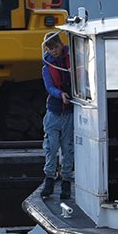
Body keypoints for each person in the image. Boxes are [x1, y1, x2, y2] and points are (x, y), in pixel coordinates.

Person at [39, 31, 74, 204]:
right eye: (50, 48)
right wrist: (60, 94)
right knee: (51, 147)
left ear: (61, 45)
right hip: (54, 112)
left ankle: (66, 181)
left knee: (68, 148)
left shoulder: (72, 60)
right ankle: (49, 179)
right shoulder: (47, 67)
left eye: (56, 47)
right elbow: (49, 87)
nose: (54, 51)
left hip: (69, 113)